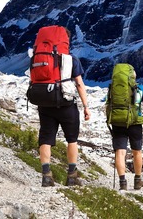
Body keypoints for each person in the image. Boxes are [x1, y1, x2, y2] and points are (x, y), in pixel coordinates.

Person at [38, 45, 91, 187]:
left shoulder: (41, 57)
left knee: (46, 139)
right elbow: (79, 83)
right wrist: (86, 106)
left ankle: (46, 176)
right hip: (66, 104)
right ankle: (72, 176)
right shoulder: (71, 59)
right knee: (72, 139)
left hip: (45, 103)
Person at [108, 66, 143, 191]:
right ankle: (137, 180)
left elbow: (108, 104)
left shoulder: (113, 88)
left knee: (120, 152)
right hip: (134, 123)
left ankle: (122, 182)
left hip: (118, 122)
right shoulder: (139, 88)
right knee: (136, 152)